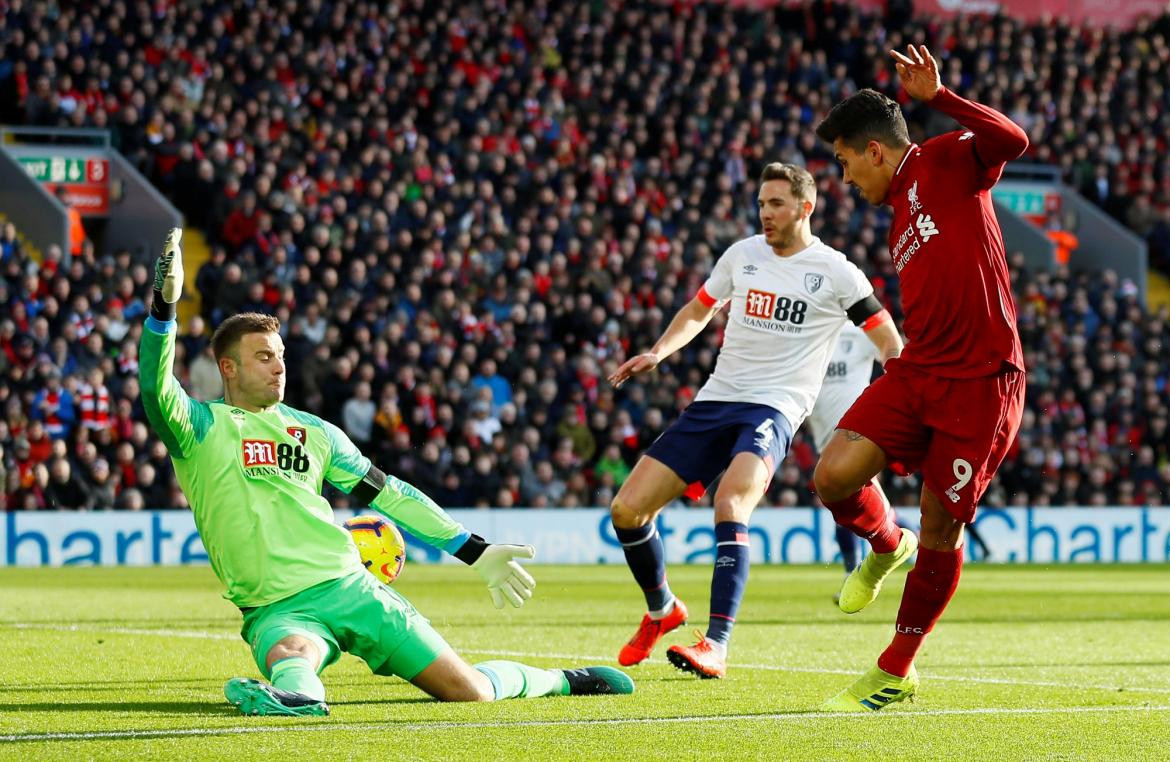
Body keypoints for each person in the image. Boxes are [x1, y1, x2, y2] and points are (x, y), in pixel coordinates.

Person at [140, 229, 633, 718]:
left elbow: (389, 494)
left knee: (471, 692)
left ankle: (559, 681)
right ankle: (298, 698)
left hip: (350, 586)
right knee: (292, 653)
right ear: (227, 368)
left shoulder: (316, 433)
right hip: (274, 607)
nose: (278, 368)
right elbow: (156, 389)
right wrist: (165, 311)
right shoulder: (199, 427)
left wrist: (472, 549)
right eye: (264, 357)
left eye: (281, 356)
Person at [606, 164, 902, 679]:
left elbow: (887, 340)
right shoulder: (742, 255)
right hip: (717, 399)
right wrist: (658, 351)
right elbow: (700, 309)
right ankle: (663, 611)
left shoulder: (837, 272)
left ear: (805, 208)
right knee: (627, 511)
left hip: (775, 407)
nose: (765, 214)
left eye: (776, 204)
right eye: (762, 204)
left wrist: (901, 390)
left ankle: (716, 644)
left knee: (731, 501)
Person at [812, 45, 1027, 710]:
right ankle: (883, 544)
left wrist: (941, 100)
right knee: (833, 475)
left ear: (874, 150)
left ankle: (895, 667)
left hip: (981, 381)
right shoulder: (900, 208)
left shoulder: (946, 159)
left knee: (942, 527)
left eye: (846, 163)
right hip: (919, 369)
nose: (846, 180)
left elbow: (1011, 139)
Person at [802, 322, 891, 586]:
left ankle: (854, 573)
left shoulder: (860, 332)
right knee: (863, 504)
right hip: (825, 439)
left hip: (858, 434)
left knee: (846, 498)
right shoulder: (811, 332)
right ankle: (905, 537)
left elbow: (892, 352)